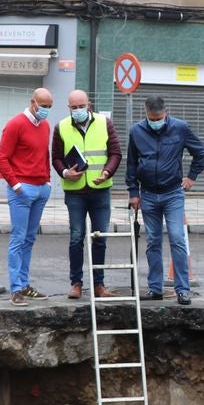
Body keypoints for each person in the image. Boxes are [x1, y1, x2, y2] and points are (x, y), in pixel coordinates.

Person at [126, 96, 204, 305]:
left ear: (166, 112)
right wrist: (133, 192)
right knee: (153, 241)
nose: (155, 121)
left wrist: (191, 177)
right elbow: (132, 164)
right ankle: (155, 288)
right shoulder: (136, 131)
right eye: (152, 118)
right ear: (146, 113)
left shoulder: (180, 128)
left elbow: (200, 152)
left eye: (159, 118)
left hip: (173, 193)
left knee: (177, 238)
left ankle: (182, 289)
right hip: (149, 194)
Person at [52, 89, 122, 300]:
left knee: (100, 238)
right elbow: (55, 157)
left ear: (89, 104)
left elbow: (116, 153)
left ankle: (99, 284)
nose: (78, 110)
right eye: (74, 107)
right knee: (76, 237)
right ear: (69, 108)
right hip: (75, 192)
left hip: (100, 190)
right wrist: (65, 172)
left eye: (81, 106)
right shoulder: (61, 127)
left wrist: (107, 172)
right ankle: (76, 283)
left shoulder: (104, 123)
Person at [0, 87, 54, 307]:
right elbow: (1, 159)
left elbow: (44, 155)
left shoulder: (45, 125)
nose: (46, 110)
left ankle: (24, 284)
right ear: (33, 102)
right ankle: (16, 289)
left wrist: (47, 181)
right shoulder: (15, 124)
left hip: (40, 187)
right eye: (43, 106)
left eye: (49, 107)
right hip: (23, 188)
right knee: (18, 239)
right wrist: (16, 185)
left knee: (29, 239)